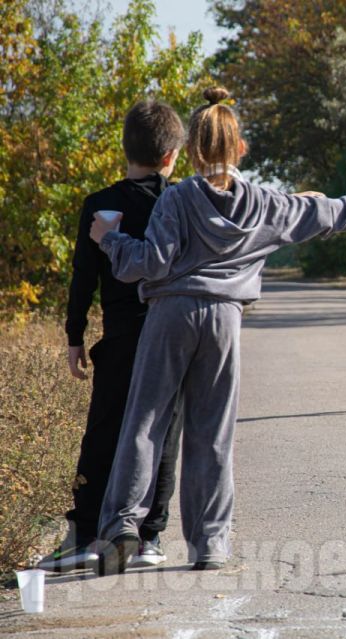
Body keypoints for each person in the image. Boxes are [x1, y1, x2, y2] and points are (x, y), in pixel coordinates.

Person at [90, 87, 346, 575]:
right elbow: (317, 214)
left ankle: (121, 528)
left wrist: (110, 240)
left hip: (171, 314)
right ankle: (210, 545)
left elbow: (146, 263)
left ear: (192, 149)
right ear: (241, 148)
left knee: (145, 423)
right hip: (224, 322)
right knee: (212, 432)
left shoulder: (175, 200)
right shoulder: (264, 204)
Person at [39, 100, 186, 573]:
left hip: (121, 338)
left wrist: (75, 335)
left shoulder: (99, 205)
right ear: (170, 156)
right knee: (164, 433)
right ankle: (150, 536)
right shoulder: (181, 200)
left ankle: (83, 531)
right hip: (173, 334)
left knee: (104, 430)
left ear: (125, 148)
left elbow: (84, 277)